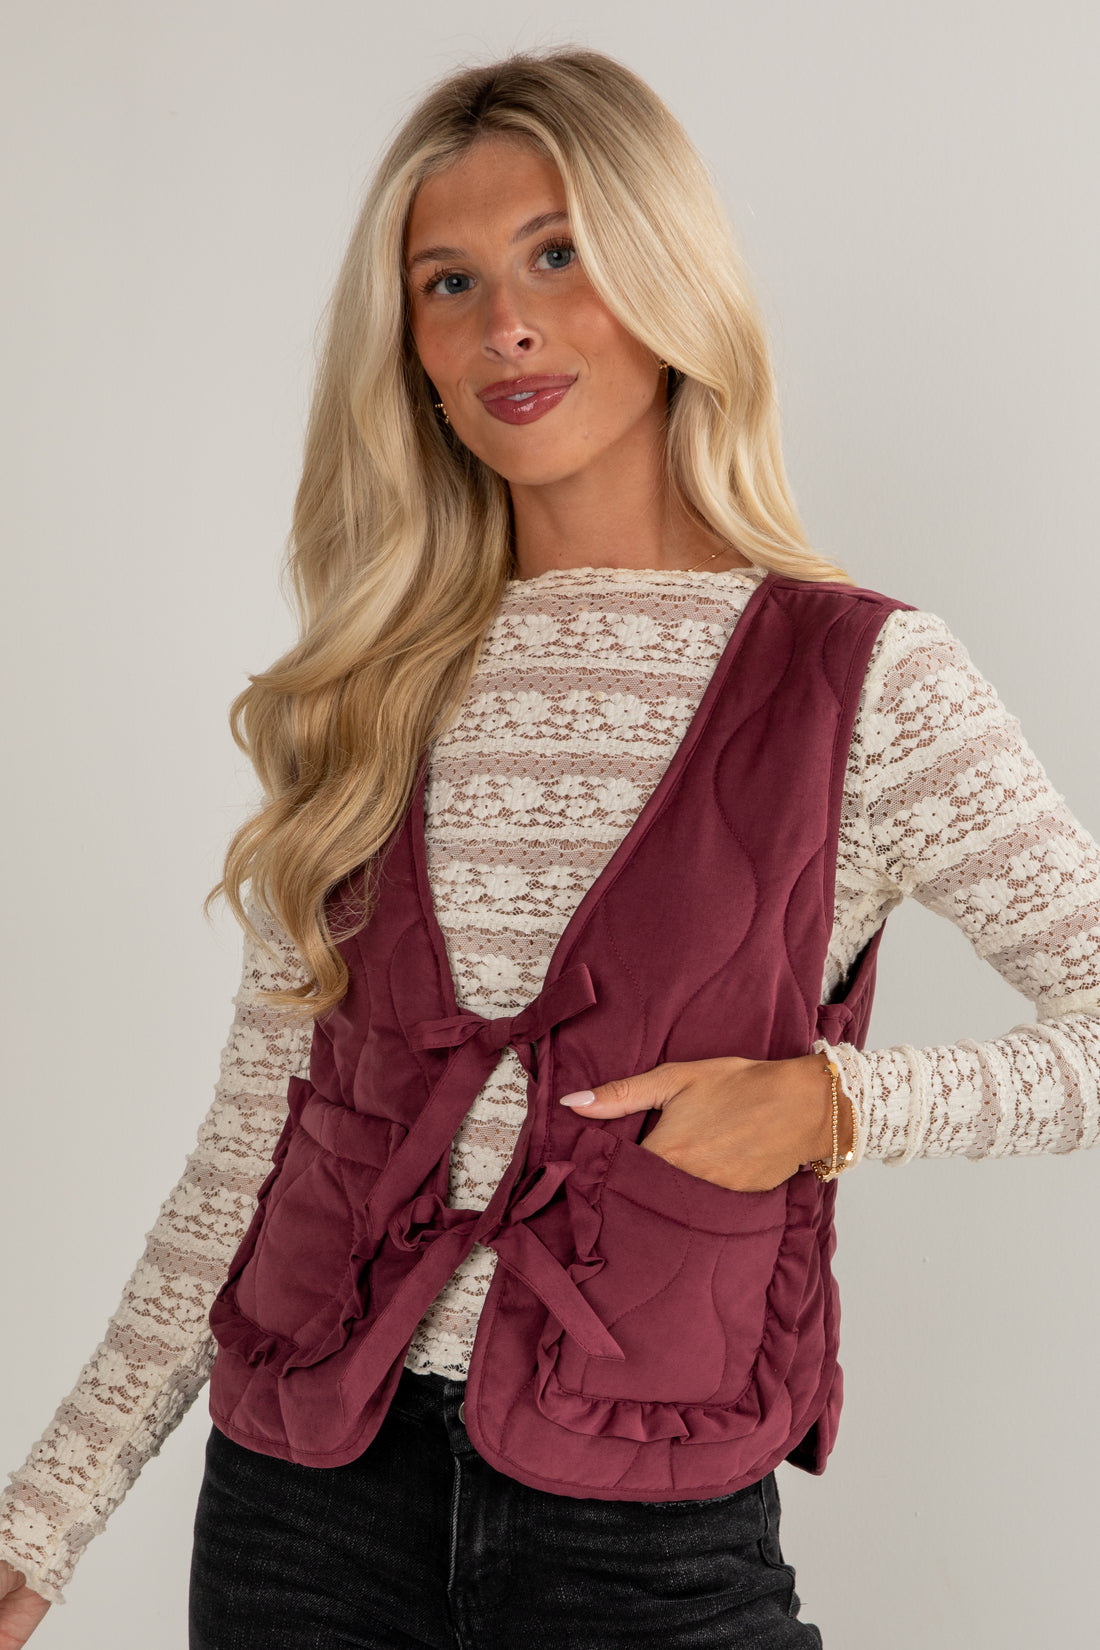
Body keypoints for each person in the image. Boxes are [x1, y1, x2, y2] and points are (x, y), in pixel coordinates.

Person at [2, 44, 1098, 1650]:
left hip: (644, 1536)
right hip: (302, 1516)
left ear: (666, 277)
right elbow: (251, 1148)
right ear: (416, 355)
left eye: (559, 255)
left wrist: (831, 1102)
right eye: (448, 283)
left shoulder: (864, 677)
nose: (505, 322)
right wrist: (41, 1521)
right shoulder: (375, 686)